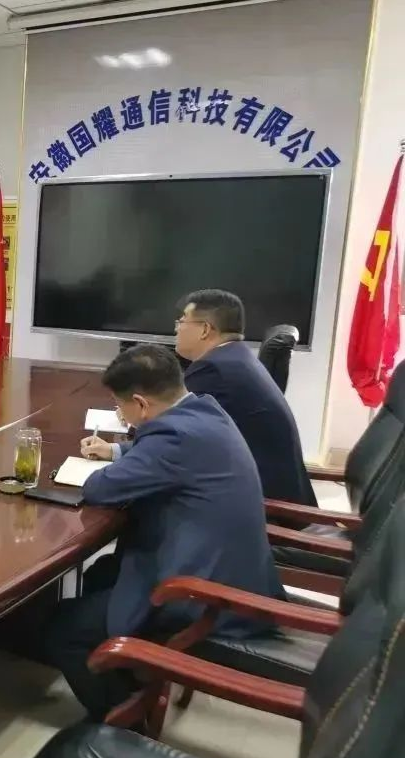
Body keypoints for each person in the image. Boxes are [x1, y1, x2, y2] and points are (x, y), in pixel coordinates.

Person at [47, 344, 284, 721]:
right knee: (101, 573)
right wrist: (119, 452)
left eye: (120, 407)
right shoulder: (205, 409)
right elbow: (161, 452)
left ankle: (123, 719)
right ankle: (128, 671)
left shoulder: (173, 439)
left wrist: (114, 464)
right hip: (235, 575)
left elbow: (99, 488)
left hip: (204, 597)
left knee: (65, 628)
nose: (121, 415)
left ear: (140, 404)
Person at [173, 289, 316, 505]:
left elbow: (173, 439)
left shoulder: (213, 370)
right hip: (273, 494)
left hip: (264, 508)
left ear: (205, 329)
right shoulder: (236, 357)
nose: (177, 328)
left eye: (182, 320)